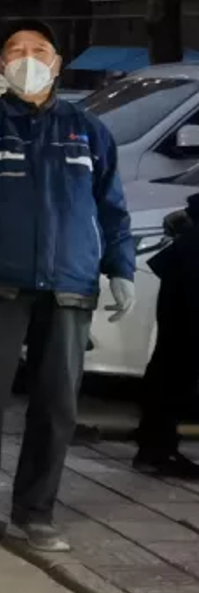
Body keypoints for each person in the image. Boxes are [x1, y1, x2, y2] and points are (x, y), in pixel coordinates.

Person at [0, 21, 135, 557]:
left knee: (56, 406)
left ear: (58, 62)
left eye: (39, 50)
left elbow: (111, 206)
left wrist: (121, 267)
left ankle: (35, 513)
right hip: (1, 280)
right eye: (15, 51)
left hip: (69, 284)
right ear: (0, 64)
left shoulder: (88, 129)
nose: (27, 58)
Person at [137, 195, 199, 478]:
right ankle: (156, 449)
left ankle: (155, 447)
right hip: (191, 261)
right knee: (178, 358)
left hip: (187, 256)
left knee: (175, 357)